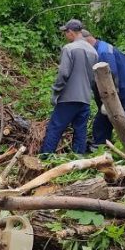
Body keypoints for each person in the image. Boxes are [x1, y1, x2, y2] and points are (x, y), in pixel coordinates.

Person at [40, 19, 98, 155]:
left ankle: (45, 158)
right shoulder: (93, 51)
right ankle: (78, 161)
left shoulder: (69, 48)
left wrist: (56, 92)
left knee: (55, 128)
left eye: (66, 32)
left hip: (68, 98)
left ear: (71, 32)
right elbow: (94, 78)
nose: (65, 36)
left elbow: (63, 73)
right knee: (80, 131)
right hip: (85, 99)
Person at [82, 30, 125, 148]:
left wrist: (112, 96)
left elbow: (111, 75)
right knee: (102, 122)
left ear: (86, 41)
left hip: (120, 92)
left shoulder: (103, 52)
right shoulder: (100, 48)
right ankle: (101, 145)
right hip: (116, 91)